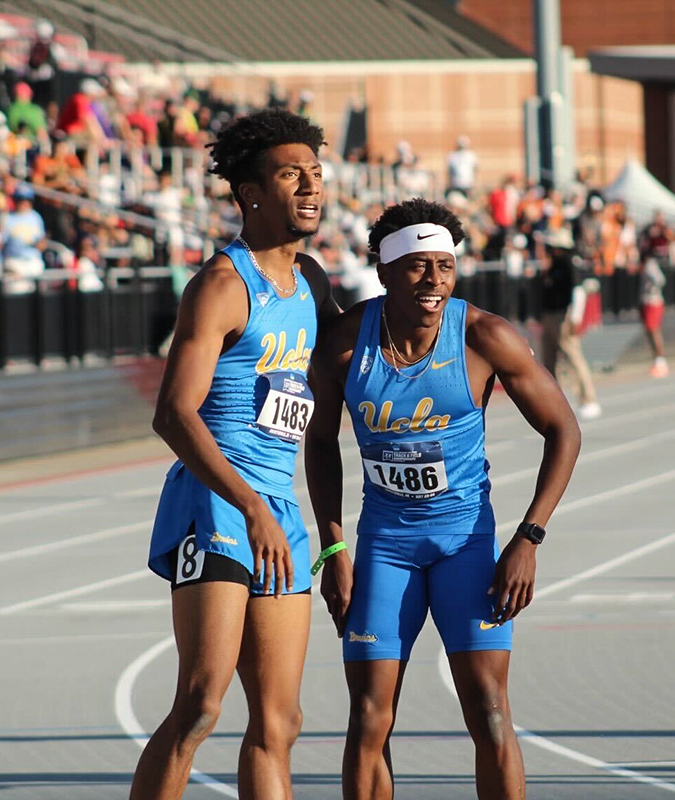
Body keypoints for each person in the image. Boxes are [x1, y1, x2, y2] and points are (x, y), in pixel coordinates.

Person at [305, 198, 582, 800]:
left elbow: (565, 431)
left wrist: (528, 538)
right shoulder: (344, 346)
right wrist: (333, 550)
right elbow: (320, 443)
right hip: (385, 546)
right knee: (369, 720)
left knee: (488, 711)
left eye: (446, 267)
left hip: (466, 543)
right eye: (417, 267)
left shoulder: (485, 336)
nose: (434, 281)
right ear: (384, 273)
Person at [131, 108, 338, 800]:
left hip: (278, 508)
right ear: (251, 192)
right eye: (291, 174)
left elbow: (351, 370)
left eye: (315, 172)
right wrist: (248, 504)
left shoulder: (312, 282)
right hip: (217, 502)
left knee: (280, 721)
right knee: (201, 704)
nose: (311, 186)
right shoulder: (223, 285)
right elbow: (173, 413)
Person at [539, 227, 600, 418]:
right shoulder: (554, 265)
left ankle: (588, 398)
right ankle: (553, 401)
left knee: (574, 357)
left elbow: (579, 291)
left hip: (563, 316)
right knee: (549, 361)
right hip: (550, 314)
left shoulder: (569, 265)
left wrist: (575, 317)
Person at [640, 257, 669, 377]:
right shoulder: (645, 265)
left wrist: (651, 289)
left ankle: (661, 361)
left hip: (653, 301)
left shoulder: (650, 265)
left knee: (654, 331)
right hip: (646, 301)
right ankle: (656, 360)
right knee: (650, 332)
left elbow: (660, 280)